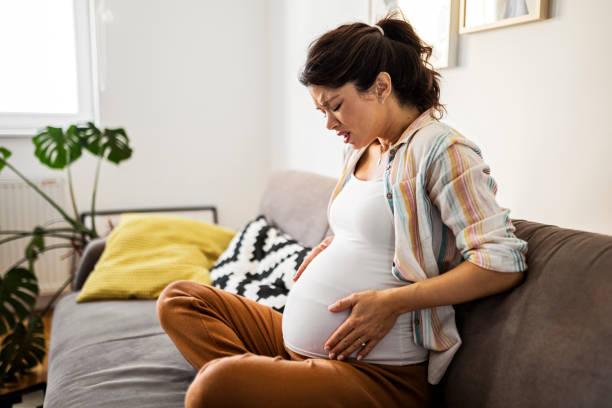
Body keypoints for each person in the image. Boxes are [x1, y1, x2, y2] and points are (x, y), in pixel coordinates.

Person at [157, 13, 528, 408]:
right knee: (180, 300)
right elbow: (378, 232)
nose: (330, 123)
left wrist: (394, 302)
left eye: (336, 106)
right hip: (307, 347)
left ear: (381, 86)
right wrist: (331, 246)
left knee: (214, 386)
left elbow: (501, 262)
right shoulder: (360, 149)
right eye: (322, 112)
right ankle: (278, 388)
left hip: (377, 372)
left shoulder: (442, 151)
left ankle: (262, 388)